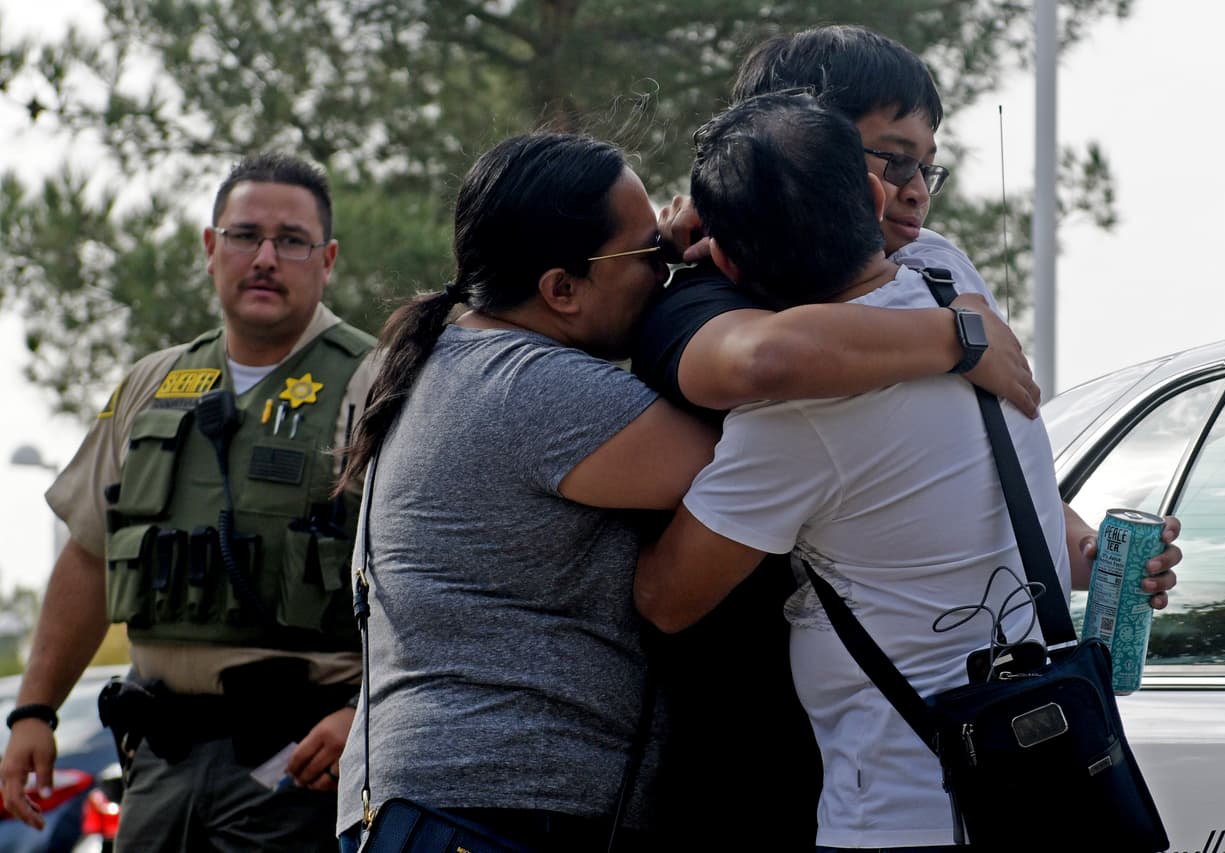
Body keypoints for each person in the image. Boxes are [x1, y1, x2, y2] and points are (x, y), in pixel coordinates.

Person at [629, 23, 1182, 850]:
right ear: (821, 149)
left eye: (929, 164)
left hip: (917, 794)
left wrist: (1079, 548)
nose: (917, 191)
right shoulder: (720, 306)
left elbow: (980, 466)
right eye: (895, 161)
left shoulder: (937, 268)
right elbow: (768, 361)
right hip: (768, 767)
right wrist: (957, 335)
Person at [333, 132, 718, 852]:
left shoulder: (464, 360)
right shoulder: (535, 387)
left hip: (448, 805)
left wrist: (654, 254)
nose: (664, 268)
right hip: (492, 809)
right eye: (649, 253)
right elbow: (756, 465)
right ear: (561, 289)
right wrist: (722, 277)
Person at [0, 152, 379, 851]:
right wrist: (33, 711)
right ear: (210, 248)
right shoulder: (151, 383)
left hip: (301, 764)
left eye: (291, 240)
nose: (265, 258)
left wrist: (367, 715)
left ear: (327, 260)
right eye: (245, 235)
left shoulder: (376, 385)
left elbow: (427, 579)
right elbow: (89, 556)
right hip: (159, 758)